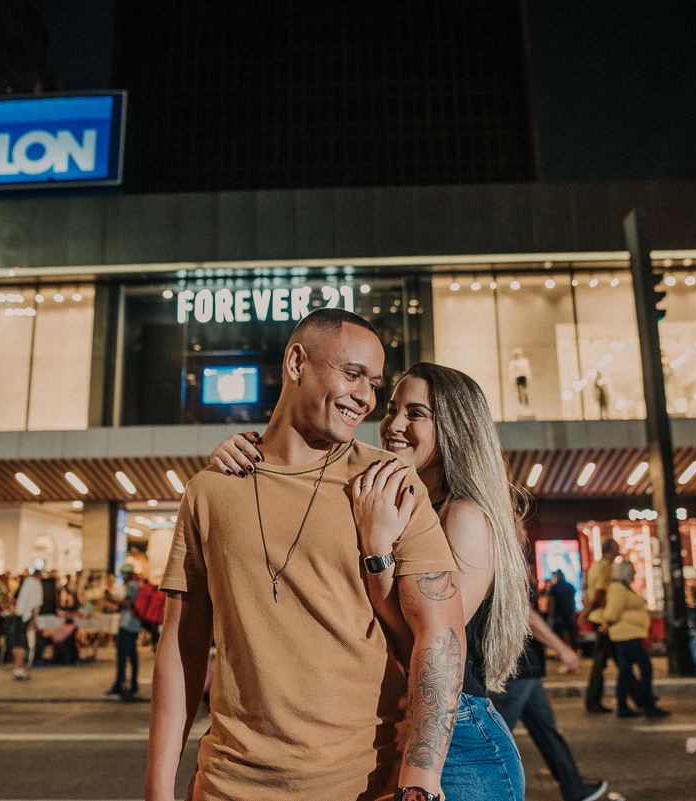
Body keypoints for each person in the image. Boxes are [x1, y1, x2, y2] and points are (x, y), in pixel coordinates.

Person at [149, 309, 463, 801]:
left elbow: (440, 632)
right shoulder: (210, 490)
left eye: (374, 383)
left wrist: (420, 781)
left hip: (362, 786)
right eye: (353, 373)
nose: (366, 396)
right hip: (227, 786)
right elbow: (181, 644)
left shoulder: (387, 484)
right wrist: (157, 789)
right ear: (297, 362)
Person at [212, 359, 534, 800]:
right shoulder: (383, 492)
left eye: (416, 414)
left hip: (454, 742)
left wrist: (377, 550)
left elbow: (424, 640)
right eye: (392, 409)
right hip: (383, 729)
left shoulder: (464, 516)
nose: (394, 424)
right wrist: (245, 453)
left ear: (456, 429)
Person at [492, 556, 609, 801]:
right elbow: (525, 613)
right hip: (516, 663)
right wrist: (562, 648)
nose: (523, 524)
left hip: (527, 665)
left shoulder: (507, 556)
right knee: (493, 738)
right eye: (519, 519)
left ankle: (574, 788)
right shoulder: (501, 555)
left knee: (545, 730)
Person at [581, 538, 641, 714]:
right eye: (617, 548)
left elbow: (589, 590)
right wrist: (588, 611)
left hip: (598, 617)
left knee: (619, 659)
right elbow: (599, 592)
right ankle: (593, 700)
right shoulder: (606, 567)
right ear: (611, 550)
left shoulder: (595, 566)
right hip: (604, 620)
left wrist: (586, 611)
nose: (619, 551)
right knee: (604, 661)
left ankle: (639, 697)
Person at [601, 561, 669, 718]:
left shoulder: (623, 587)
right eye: (632, 571)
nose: (634, 574)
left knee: (625, 672)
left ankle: (624, 707)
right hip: (627, 635)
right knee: (645, 667)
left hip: (627, 634)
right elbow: (612, 612)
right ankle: (648, 706)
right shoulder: (618, 587)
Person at [104, 565, 142, 700]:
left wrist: (111, 599)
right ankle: (133, 688)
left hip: (127, 625)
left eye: (123, 575)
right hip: (135, 625)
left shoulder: (131, 586)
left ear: (128, 575)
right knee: (133, 657)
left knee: (122, 657)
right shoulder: (138, 585)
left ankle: (118, 687)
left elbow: (127, 603)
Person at [7, 568, 43, 681]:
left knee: (17, 643)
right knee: (23, 644)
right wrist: (33, 621)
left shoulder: (26, 582)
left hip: (18, 615)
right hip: (25, 617)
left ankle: (17, 668)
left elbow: (14, 599)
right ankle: (18, 670)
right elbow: (35, 605)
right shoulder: (36, 585)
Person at [548, 570, 578, 648]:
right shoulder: (570, 586)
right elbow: (573, 601)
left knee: (561, 633)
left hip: (558, 613)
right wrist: (573, 612)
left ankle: (564, 650)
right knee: (571, 633)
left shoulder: (554, 587)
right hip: (569, 612)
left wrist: (551, 616)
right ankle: (572, 649)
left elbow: (552, 602)